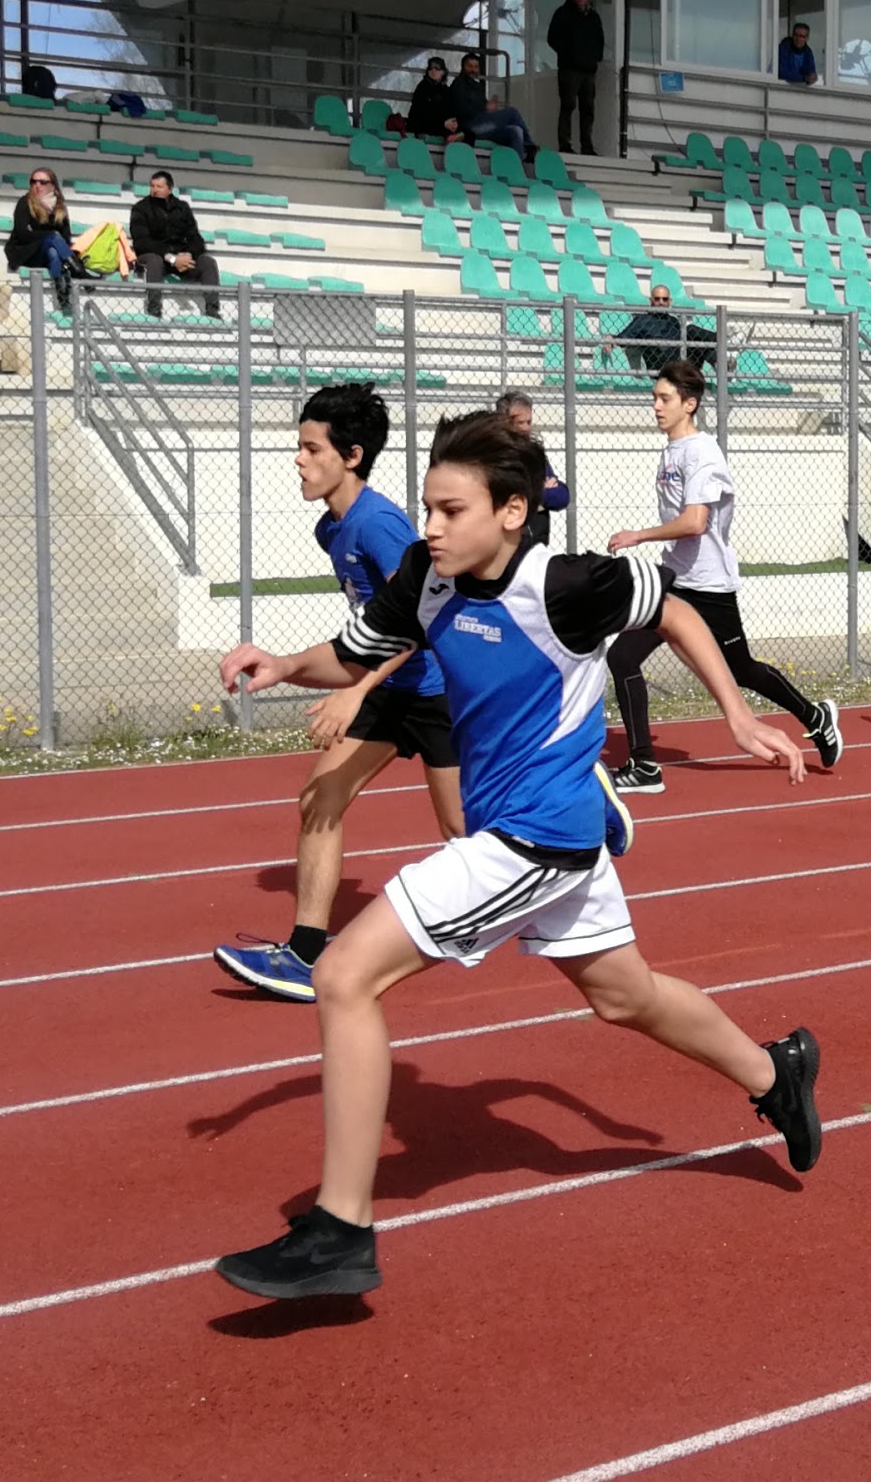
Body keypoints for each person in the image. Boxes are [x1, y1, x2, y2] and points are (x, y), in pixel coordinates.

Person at [212, 409, 822, 1298]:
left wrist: (736, 715)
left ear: (510, 511)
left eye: (450, 510)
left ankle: (340, 1231)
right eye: (428, 506)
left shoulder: (567, 585)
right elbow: (353, 654)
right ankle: (777, 1072)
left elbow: (675, 608)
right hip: (531, 834)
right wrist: (280, 664)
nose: (429, 526)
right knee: (625, 996)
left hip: (534, 836)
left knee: (343, 976)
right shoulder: (427, 577)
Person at [213, 384, 465, 1004]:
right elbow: (364, 636)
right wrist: (283, 665)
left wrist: (357, 690)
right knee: (319, 798)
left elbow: (422, 617)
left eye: (311, 448)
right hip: (385, 688)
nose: (298, 459)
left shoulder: (378, 525)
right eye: (299, 447)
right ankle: (305, 952)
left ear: (352, 456)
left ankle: (572, 812)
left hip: (436, 690)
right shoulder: (333, 529)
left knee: (464, 831)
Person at [605, 361, 843, 794]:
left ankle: (815, 717)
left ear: (689, 404)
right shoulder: (671, 451)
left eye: (665, 399)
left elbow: (695, 522)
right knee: (622, 657)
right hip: (675, 580)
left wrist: (639, 535)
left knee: (742, 670)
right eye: (655, 397)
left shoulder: (702, 453)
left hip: (709, 586)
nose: (656, 406)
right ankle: (644, 766)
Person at [129, 169, 222, 320]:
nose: (154, 190)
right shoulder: (141, 208)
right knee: (154, 261)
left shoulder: (182, 208)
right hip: (156, 255)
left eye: (159, 186)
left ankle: (212, 311)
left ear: (170, 188)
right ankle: (154, 310)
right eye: (152, 186)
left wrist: (188, 255)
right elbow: (142, 242)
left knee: (208, 262)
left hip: (180, 258)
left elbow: (196, 239)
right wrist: (171, 258)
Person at [496, 390, 569, 544]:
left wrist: (533, 494)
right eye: (520, 423)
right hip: (508, 540)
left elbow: (562, 497)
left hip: (537, 540)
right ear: (504, 422)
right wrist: (539, 491)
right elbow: (505, 494)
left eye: (528, 422)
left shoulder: (534, 454)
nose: (526, 428)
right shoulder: (496, 454)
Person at [4, 167, 75, 313]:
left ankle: (63, 296)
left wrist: (44, 236)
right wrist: (50, 236)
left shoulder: (59, 207)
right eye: (34, 181)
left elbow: (66, 237)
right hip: (26, 252)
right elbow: (23, 234)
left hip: (47, 254)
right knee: (53, 238)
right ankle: (77, 270)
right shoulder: (25, 202)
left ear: (53, 186)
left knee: (53, 253)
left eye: (43, 182)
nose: (37, 185)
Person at [547, 0, 605, 157]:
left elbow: (600, 40)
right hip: (569, 69)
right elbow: (552, 38)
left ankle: (587, 146)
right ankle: (565, 144)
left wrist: (596, 57)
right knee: (568, 105)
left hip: (588, 70)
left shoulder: (594, 17)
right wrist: (569, 53)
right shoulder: (563, 13)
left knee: (588, 109)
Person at [605, 285, 718, 372]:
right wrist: (610, 338)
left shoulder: (673, 321)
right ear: (651, 301)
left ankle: (720, 363)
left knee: (698, 339)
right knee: (690, 330)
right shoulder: (642, 320)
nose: (661, 302)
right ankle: (721, 340)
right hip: (659, 364)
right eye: (657, 299)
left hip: (680, 360)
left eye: (664, 299)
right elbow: (623, 338)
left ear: (670, 302)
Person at [447, 51, 536, 162]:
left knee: (516, 131)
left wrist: (490, 109)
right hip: (469, 128)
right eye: (469, 66)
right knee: (512, 112)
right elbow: (461, 110)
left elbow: (484, 111)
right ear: (463, 67)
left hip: (484, 127)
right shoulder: (458, 83)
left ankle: (516, 166)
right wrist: (485, 109)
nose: (473, 70)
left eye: (476, 67)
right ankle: (529, 146)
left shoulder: (479, 87)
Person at [407, 57, 455, 140]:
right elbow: (422, 113)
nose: (433, 71)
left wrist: (453, 122)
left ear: (443, 72)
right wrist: (443, 123)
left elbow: (450, 109)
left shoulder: (445, 90)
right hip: (421, 125)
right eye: (430, 68)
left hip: (439, 125)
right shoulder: (422, 87)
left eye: (437, 68)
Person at [71, 219, 136, 279]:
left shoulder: (98, 230)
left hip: (89, 262)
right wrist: (127, 266)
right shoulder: (117, 231)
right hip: (109, 266)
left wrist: (76, 250)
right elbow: (125, 249)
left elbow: (86, 239)